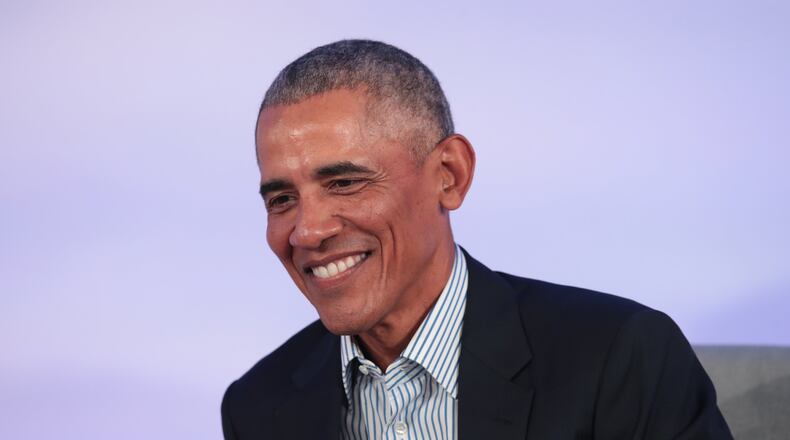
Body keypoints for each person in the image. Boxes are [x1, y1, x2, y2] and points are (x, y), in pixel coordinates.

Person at [221, 39, 732, 439]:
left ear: (450, 174)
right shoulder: (258, 408)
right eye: (281, 199)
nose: (308, 231)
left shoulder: (620, 360)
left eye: (345, 183)